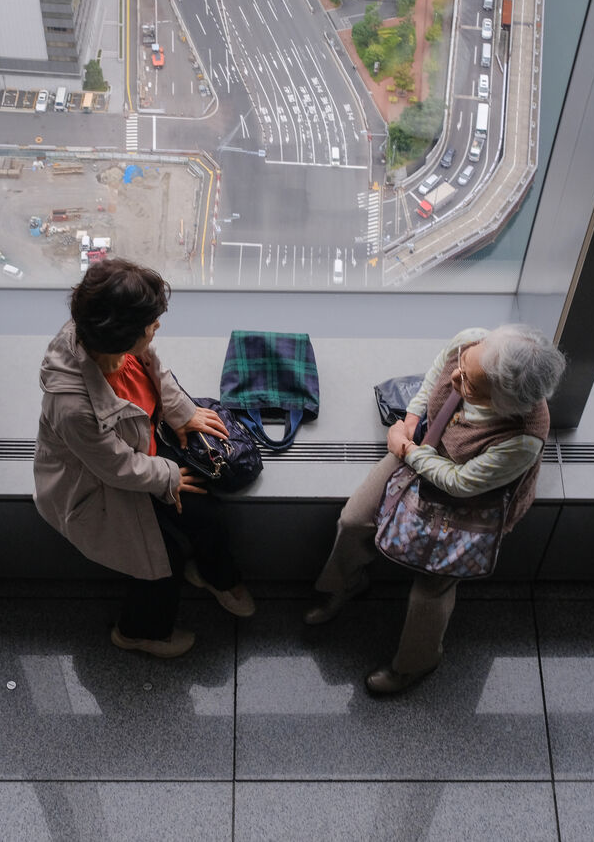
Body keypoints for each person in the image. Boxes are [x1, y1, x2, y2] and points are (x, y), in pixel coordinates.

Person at [305, 325, 565, 695]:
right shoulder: (470, 343)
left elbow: (461, 483)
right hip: (424, 451)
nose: (457, 376)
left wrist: (406, 450)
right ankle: (344, 583)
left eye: (470, 384)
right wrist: (413, 419)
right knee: (353, 520)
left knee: (432, 587)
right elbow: (434, 378)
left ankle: (416, 662)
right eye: (463, 364)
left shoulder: (521, 439)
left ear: (502, 403)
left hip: (472, 502)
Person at [33, 259, 254, 659]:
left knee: (206, 514)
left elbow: (156, 371)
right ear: (123, 336)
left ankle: (215, 575)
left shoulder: (104, 339)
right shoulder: (73, 407)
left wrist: (181, 411)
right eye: (150, 325)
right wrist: (169, 476)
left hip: (141, 450)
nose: (157, 328)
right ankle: (137, 632)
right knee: (160, 559)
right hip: (96, 488)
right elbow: (115, 467)